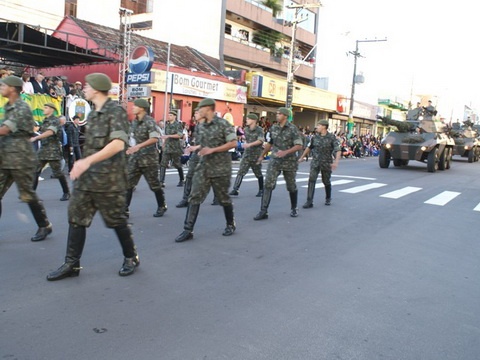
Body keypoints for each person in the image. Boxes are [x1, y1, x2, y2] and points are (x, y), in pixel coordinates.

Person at [47, 73, 139, 281]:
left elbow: (118, 144)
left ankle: (130, 256)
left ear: (97, 89)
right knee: (76, 217)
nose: (84, 88)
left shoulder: (114, 111)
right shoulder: (95, 114)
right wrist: (83, 166)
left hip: (109, 179)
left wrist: (85, 161)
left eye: (88, 85)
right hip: (89, 178)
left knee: (116, 220)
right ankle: (72, 263)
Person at [174, 98, 237, 242]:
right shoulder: (200, 126)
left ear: (208, 108)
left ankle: (230, 223)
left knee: (223, 198)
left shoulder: (223, 124)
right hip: (204, 167)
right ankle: (187, 230)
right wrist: (196, 149)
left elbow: (233, 142)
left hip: (220, 167)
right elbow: (203, 145)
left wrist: (212, 150)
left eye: (200, 108)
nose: (198, 111)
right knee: (194, 196)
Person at [0, 75, 53, 242]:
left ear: (13, 89)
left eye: (4, 85)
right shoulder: (9, 107)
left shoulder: (21, 108)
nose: (1, 87)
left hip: (20, 159)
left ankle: (44, 225)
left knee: (28, 194)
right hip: (6, 158)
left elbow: (4, 130)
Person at [253, 107, 303, 220]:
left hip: (289, 162)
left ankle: (294, 208)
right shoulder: (274, 128)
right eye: (277, 113)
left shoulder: (293, 129)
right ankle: (263, 211)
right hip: (275, 160)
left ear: (285, 116)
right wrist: (262, 155)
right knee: (268, 184)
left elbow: (299, 145)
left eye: (279, 113)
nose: (277, 115)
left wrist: (285, 152)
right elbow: (270, 143)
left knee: (291, 186)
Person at [125, 98, 167, 218]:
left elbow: (154, 138)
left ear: (142, 108)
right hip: (135, 158)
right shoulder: (134, 122)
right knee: (128, 183)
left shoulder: (149, 121)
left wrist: (139, 146)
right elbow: (131, 138)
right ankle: (125, 210)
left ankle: (162, 205)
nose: (132, 108)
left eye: (135, 106)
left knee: (154, 184)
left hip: (148, 158)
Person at [31, 104, 70, 201]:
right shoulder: (45, 120)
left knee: (58, 173)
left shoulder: (55, 120)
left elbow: (50, 132)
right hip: (43, 150)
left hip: (53, 151)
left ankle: (66, 192)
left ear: (52, 110)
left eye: (46, 108)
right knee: (36, 171)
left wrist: (36, 137)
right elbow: (39, 129)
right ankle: (31, 195)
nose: (44, 109)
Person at [299, 120, 341, 208]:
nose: (316, 127)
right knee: (311, 179)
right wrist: (302, 156)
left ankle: (328, 197)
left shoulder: (331, 137)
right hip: (315, 162)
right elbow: (309, 147)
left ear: (324, 127)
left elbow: (338, 150)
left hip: (326, 163)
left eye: (318, 125)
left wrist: (336, 162)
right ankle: (309, 201)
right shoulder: (315, 137)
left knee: (326, 181)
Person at [229, 113, 264, 197]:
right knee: (241, 171)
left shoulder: (259, 130)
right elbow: (244, 138)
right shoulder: (246, 129)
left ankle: (261, 190)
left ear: (254, 121)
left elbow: (260, 140)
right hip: (247, 154)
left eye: (248, 119)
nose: (246, 120)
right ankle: (235, 189)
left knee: (258, 173)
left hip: (256, 155)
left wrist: (249, 144)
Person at [176, 108, 205, 208]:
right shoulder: (197, 126)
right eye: (194, 113)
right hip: (196, 154)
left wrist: (195, 147)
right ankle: (186, 199)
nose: (194, 115)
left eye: (197, 113)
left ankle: (218, 197)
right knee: (189, 176)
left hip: (207, 156)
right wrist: (192, 147)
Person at [159, 110, 185, 187]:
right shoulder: (167, 125)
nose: (169, 116)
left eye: (170, 115)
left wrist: (169, 136)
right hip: (167, 147)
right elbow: (166, 135)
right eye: (168, 115)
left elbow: (180, 135)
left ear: (174, 116)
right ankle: (161, 181)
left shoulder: (178, 125)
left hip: (175, 147)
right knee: (163, 163)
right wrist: (163, 144)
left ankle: (181, 179)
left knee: (177, 164)